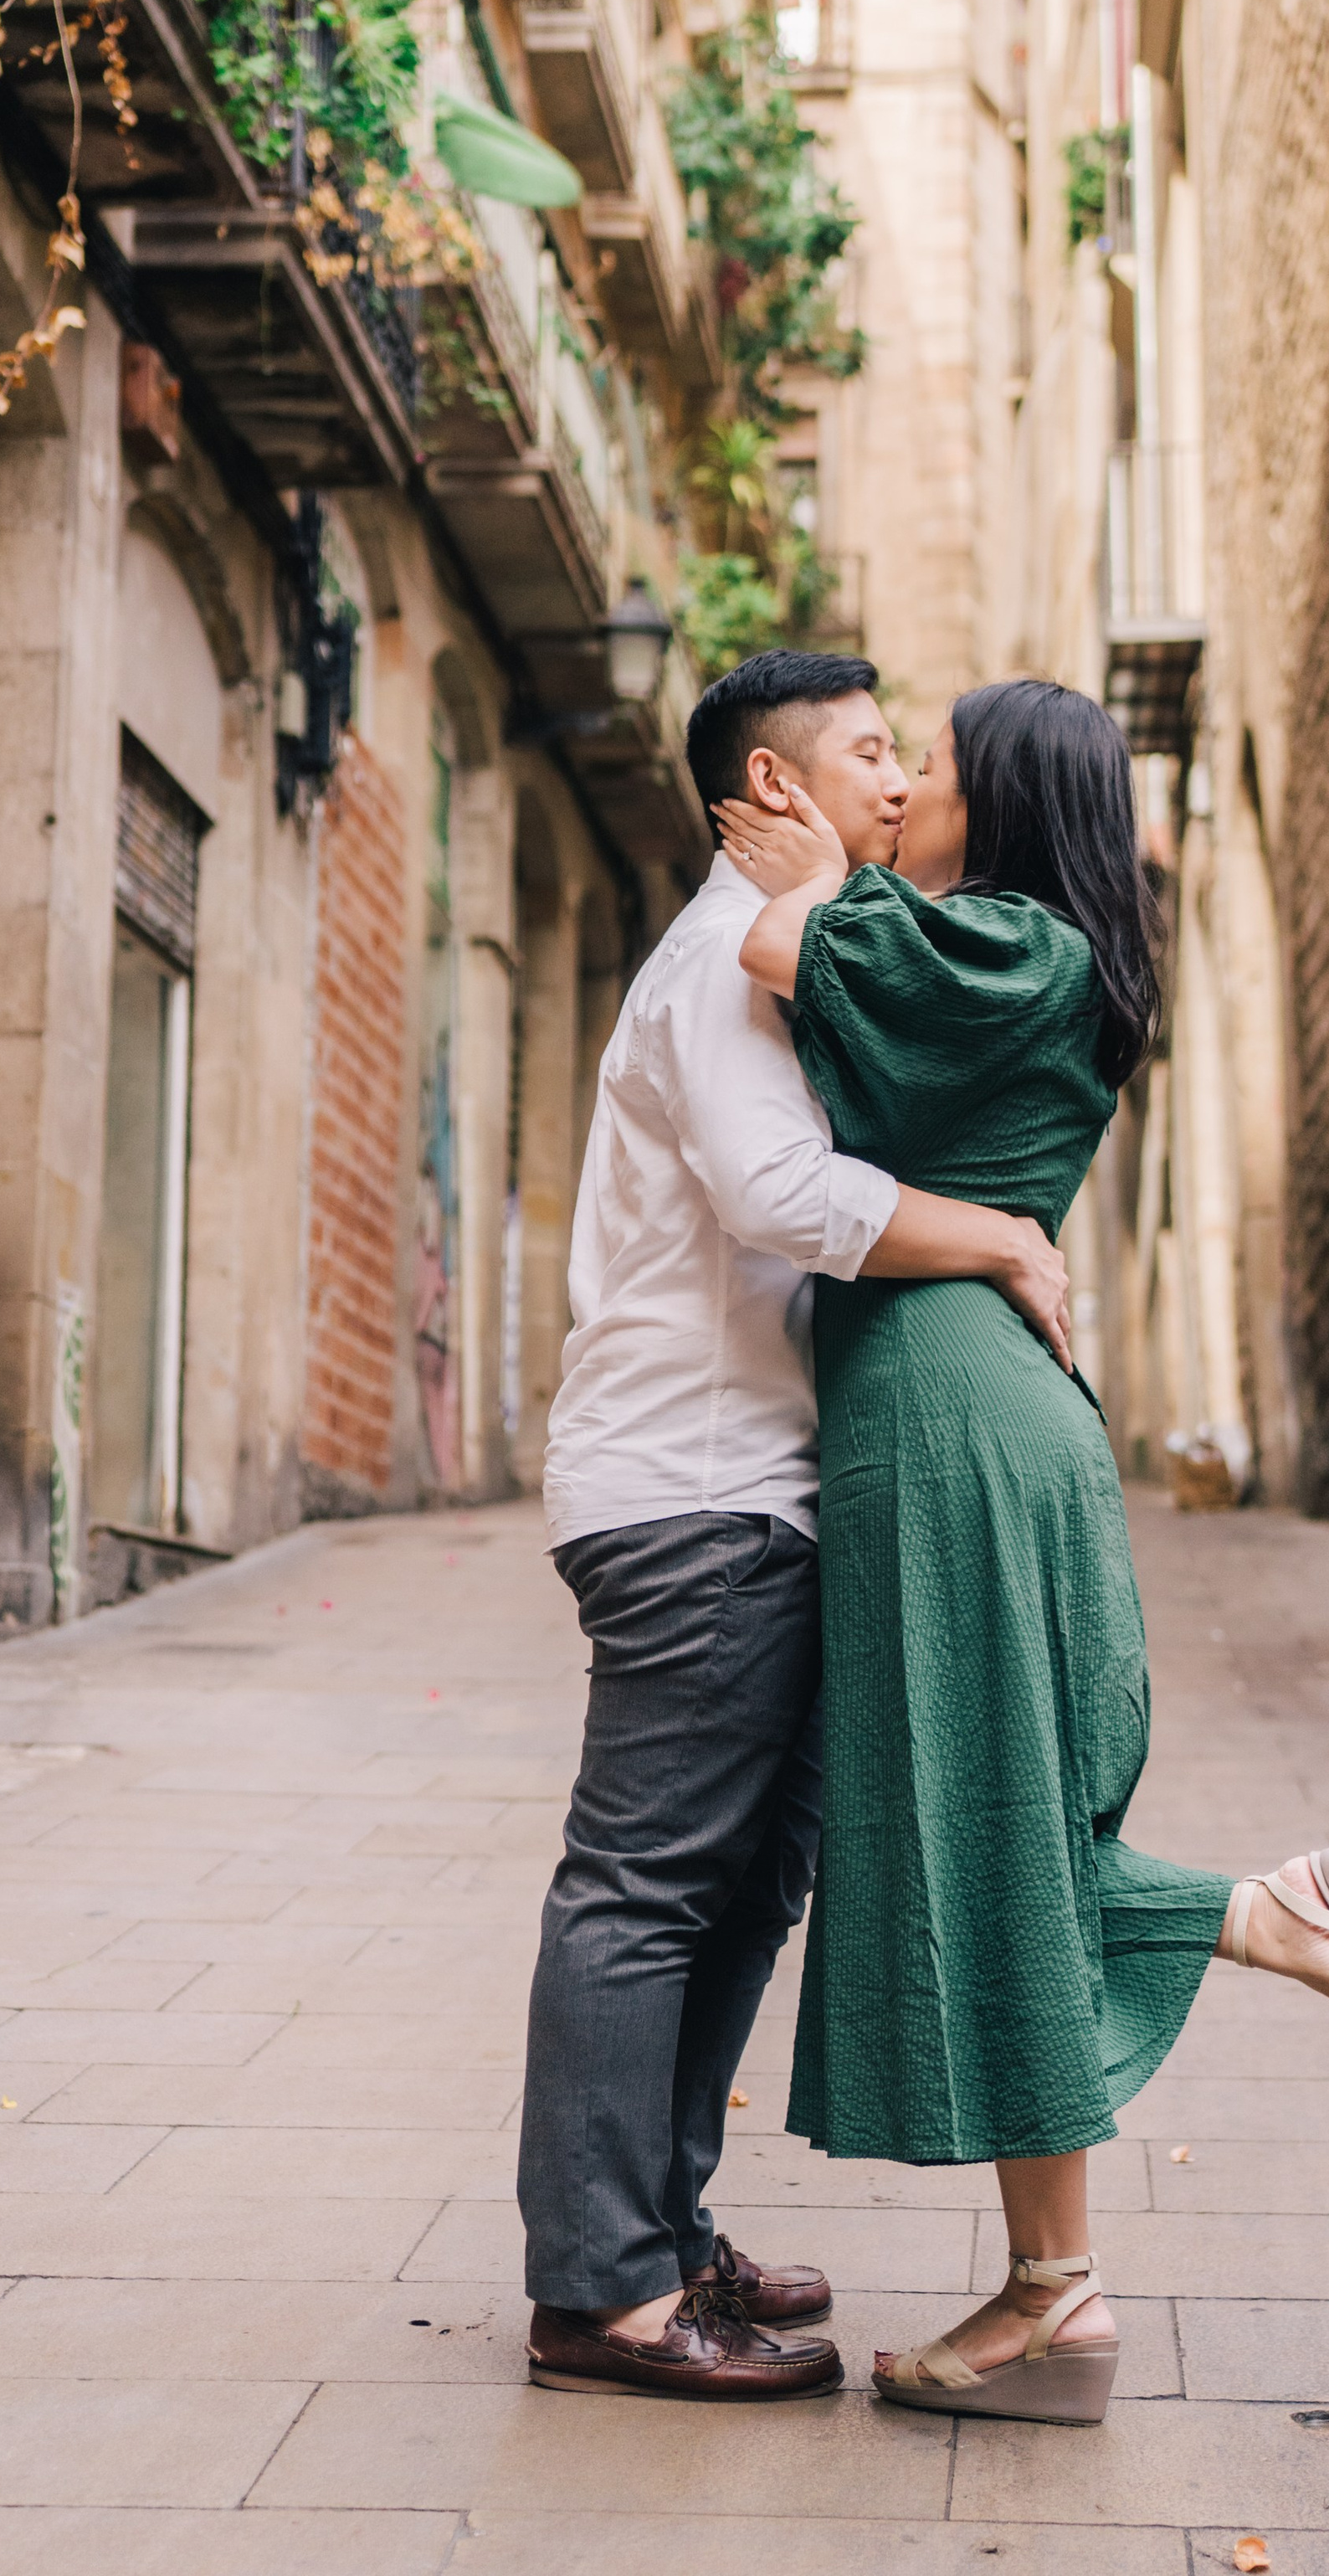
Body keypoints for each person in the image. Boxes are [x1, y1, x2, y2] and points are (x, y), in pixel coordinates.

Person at [714, 676, 1329, 2425]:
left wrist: (811, 857)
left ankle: (1278, 1940)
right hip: (946, 1409)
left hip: (956, 1424)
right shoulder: (1012, 947)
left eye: (934, 769)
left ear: (1018, 802)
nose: (904, 793)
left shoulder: (1012, 946)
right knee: (974, 1832)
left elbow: (773, 953)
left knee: (980, 1831)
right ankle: (1064, 2280)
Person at [517, 650, 1080, 2403]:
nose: (897, 783)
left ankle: (661, 2228)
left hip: (749, 1488)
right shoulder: (718, 967)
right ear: (768, 794)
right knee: (645, 1887)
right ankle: (600, 2293)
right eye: (862, 756)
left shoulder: (793, 949)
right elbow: (778, 1193)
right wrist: (993, 1233)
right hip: (688, 1493)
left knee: (743, 1884)